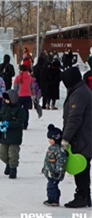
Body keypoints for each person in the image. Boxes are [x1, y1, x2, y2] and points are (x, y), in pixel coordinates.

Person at [60, 67, 92, 208]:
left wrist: (65, 138)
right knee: (83, 166)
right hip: (83, 134)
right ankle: (85, 195)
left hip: (83, 136)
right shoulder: (78, 90)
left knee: (81, 166)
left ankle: (82, 196)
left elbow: (74, 118)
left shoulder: (79, 93)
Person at [0, 89, 25, 179]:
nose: (5, 101)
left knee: (13, 153)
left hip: (14, 136)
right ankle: (8, 164)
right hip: (4, 136)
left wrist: (9, 124)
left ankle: (13, 169)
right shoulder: (4, 108)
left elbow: (20, 122)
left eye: (7, 99)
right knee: (2, 153)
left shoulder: (19, 110)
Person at [42, 124, 67, 207]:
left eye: (51, 139)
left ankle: (54, 200)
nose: (49, 141)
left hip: (55, 173)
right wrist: (45, 168)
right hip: (50, 171)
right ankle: (51, 199)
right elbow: (48, 159)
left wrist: (58, 171)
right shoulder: (51, 148)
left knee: (52, 186)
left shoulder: (60, 150)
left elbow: (61, 161)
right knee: (50, 186)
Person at [13, 65, 34, 130]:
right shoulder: (30, 78)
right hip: (28, 96)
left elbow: (15, 88)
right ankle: (25, 124)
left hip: (19, 96)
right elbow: (32, 87)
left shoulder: (17, 78)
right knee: (26, 110)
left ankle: (19, 123)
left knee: (18, 110)